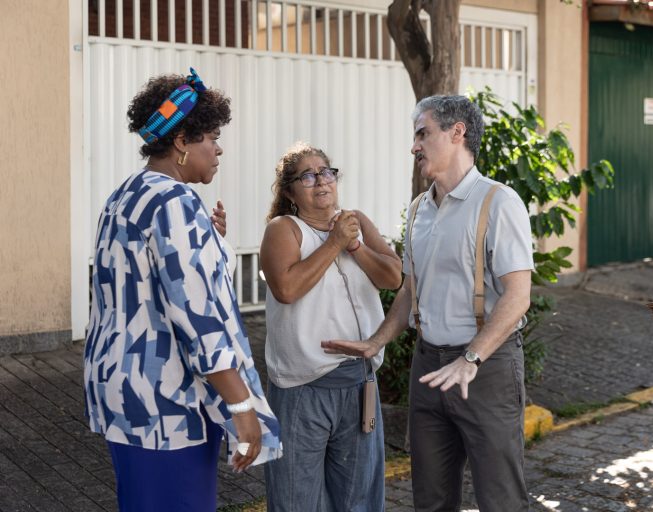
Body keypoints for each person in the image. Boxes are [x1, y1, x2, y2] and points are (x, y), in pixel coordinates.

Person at [83, 68, 281, 512]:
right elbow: (198, 317)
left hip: (124, 392)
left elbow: (145, 284)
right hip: (166, 402)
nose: (218, 147)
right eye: (210, 136)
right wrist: (241, 406)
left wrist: (210, 242)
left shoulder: (125, 195)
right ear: (180, 143)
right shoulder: (175, 203)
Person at [322, 95, 534, 511]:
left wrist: (470, 359)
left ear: (458, 133)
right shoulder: (420, 208)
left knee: (501, 499)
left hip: (485, 369)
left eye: (423, 133)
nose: (414, 146)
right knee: (431, 500)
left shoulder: (499, 202)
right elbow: (410, 291)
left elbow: (518, 296)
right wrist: (376, 341)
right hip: (428, 366)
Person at [260, 142, 402, 512]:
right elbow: (287, 289)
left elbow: (393, 278)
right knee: (297, 499)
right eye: (307, 176)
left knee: (357, 500)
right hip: (304, 388)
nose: (320, 181)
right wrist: (335, 243)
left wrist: (354, 245)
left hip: (358, 383)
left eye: (326, 172)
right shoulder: (284, 230)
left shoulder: (355, 221)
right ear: (290, 191)